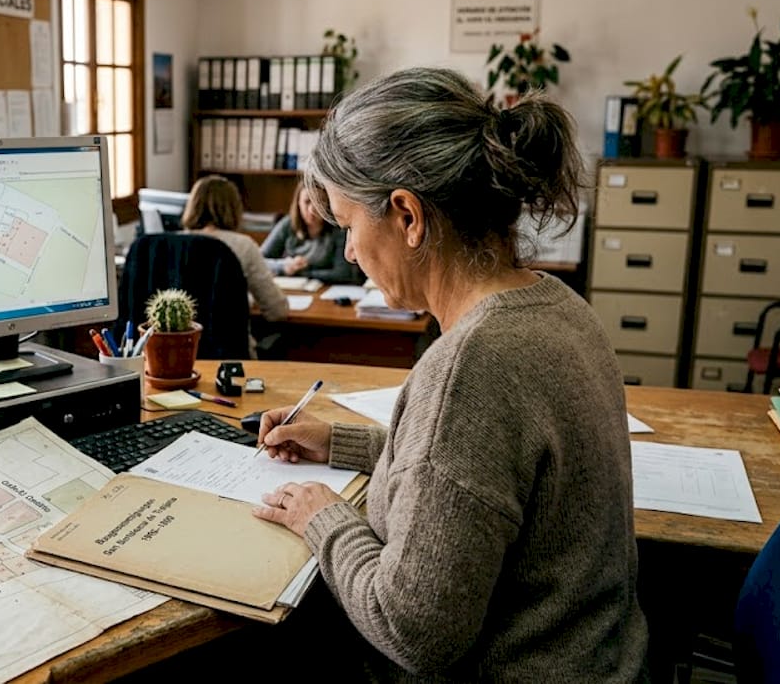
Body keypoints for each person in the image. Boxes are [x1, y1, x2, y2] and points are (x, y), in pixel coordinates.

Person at [251, 67, 649, 682]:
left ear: (408, 216)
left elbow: (412, 631)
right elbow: (479, 476)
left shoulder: (472, 365)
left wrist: (321, 517)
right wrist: (341, 444)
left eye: (351, 226)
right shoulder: (557, 305)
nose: (350, 252)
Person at [181, 175, 289, 327]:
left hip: (179, 345)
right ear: (234, 208)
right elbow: (277, 311)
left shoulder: (174, 245)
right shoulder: (243, 245)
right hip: (229, 346)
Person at [261, 181, 363, 284]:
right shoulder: (287, 224)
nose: (312, 210)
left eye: (319, 202)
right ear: (298, 203)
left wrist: (299, 273)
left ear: (328, 204)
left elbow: (342, 273)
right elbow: (259, 260)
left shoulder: (339, 227)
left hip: (327, 289)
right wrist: (284, 266)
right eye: (307, 202)